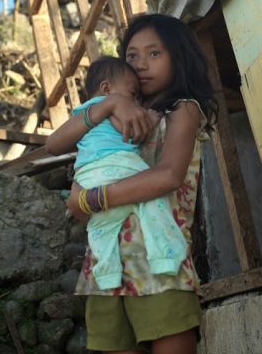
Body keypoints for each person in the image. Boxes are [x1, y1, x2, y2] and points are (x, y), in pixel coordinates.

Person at [46, 14, 217, 354]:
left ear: (178, 57)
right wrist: (110, 103)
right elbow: (53, 145)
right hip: (107, 264)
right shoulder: (111, 115)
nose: (141, 65)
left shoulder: (182, 111)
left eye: (155, 54)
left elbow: (167, 176)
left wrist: (92, 199)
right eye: (132, 56)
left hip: (158, 258)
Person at [70, 55, 188, 291]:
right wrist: (151, 116)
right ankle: (165, 257)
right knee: (154, 206)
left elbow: (55, 144)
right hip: (118, 166)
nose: (135, 100)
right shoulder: (119, 109)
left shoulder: (82, 115)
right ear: (107, 89)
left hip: (86, 177)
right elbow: (133, 132)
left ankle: (106, 275)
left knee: (100, 230)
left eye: (154, 53)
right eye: (132, 94)